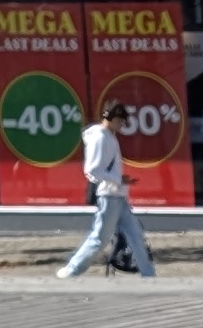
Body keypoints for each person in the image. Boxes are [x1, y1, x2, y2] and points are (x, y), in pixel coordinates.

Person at [58, 107, 157, 278]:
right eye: (121, 121)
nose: (122, 125)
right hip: (109, 195)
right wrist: (118, 179)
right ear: (112, 118)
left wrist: (120, 180)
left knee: (135, 235)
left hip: (117, 195)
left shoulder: (109, 136)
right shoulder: (100, 137)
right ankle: (72, 269)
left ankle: (148, 273)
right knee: (100, 238)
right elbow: (92, 170)